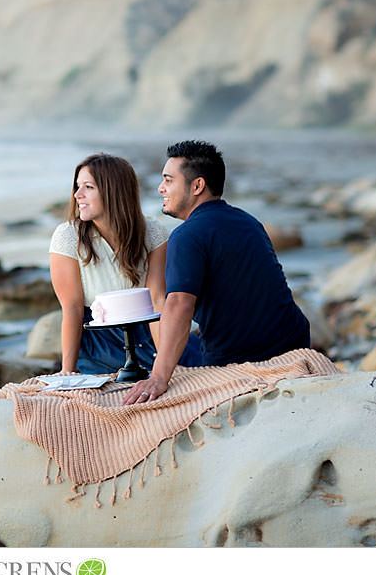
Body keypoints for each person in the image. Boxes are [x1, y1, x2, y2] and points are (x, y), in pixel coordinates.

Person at [123, 140, 311, 405]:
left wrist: (159, 378)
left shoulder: (187, 235)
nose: (160, 188)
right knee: (183, 338)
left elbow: (178, 304)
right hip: (293, 343)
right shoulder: (249, 222)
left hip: (234, 361)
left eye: (168, 180)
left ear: (197, 186)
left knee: (139, 342)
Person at [49, 153, 202, 375]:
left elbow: (157, 298)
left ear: (114, 190)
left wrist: (165, 365)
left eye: (88, 187)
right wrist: (67, 370)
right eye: (77, 186)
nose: (77, 195)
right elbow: (72, 308)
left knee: (202, 367)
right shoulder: (67, 236)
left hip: (150, 329)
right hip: (100, 338)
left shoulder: (153, 231)